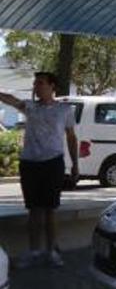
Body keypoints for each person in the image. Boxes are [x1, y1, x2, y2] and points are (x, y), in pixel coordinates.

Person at [0, 72, 79, 268]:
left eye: (41, 83)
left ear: (52, 87)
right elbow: (11, 100)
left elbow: (71, 137)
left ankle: (51, 251)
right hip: (30, 164)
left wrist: (76, 164)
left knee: (50, 210)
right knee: (34, 210)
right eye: (35, 83)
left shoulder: (64, 110)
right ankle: (34, 251)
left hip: (53, 164)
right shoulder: (30, 107)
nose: (36, 86)